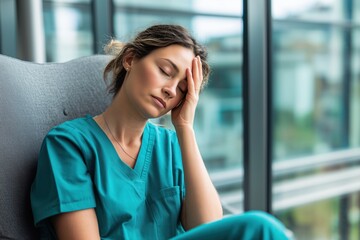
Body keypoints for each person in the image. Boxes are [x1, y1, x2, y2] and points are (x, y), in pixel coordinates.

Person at [30, 24, 290, 240]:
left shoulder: (171, 145)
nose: (170, 90)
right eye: (165, 71)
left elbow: (208, 226)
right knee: (259, 228)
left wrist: (185, 128)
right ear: (130, 59)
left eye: (183, 89)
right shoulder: (68, 145)